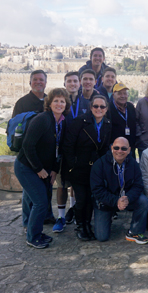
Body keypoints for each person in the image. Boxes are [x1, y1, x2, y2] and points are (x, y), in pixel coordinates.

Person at [14, 88, 70, 249]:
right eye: (56, 101)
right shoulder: (42, 119)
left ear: (66, 104)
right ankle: (32, 237)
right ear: (50, 103)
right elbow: (27, 146)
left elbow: (57, 149)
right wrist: (39, 169)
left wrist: (53, 170)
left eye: (62, 101)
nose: (59, 104)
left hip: (43, 167)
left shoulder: (61, 122)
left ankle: (34, 231)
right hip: (26, 167)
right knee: (40, 202)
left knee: (38, 200)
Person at [63, 95, 112, 241]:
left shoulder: (107, 123)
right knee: (81, 199)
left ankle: (87, 224)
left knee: (91, 199)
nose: (99, 109)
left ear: (106, 109)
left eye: (102, 107)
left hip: (95, 168)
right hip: (79, 167)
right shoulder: (79, 122)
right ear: (91, 108)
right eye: (96, 106)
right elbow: (68, 144)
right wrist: (73, 164)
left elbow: (104, 148)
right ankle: (80, 225)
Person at [90, 137, 148, 244]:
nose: (120, 151)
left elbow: (138, 185)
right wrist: (116, 200)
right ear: (112, 148)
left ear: (129, 150)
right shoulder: (100, 164)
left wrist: (128, 198)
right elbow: (97, 190)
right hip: (106, 202)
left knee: (143, 200)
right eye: (116, 148)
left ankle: (134, 232)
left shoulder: (134, 164)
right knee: (101, 237)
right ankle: (108, 216)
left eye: (123, 148)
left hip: (126, 199)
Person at [53, 71, 89, 232]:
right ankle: (61, 216)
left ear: (79, 83)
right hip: (61, 151)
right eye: (69, 81)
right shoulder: (60, 103)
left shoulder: (86, 103)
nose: (73, 84)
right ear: (65, 84)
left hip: (79, 152)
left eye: (75, 81)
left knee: (76, 183)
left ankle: (73, 211)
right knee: (62, 185)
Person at [107, 83, 137, 157]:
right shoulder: (108, 108)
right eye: (119, 93)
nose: (123, 96)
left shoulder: (131, 107)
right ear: (113, 95)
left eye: (125, 93)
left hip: (130, 147)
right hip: (115, 149)